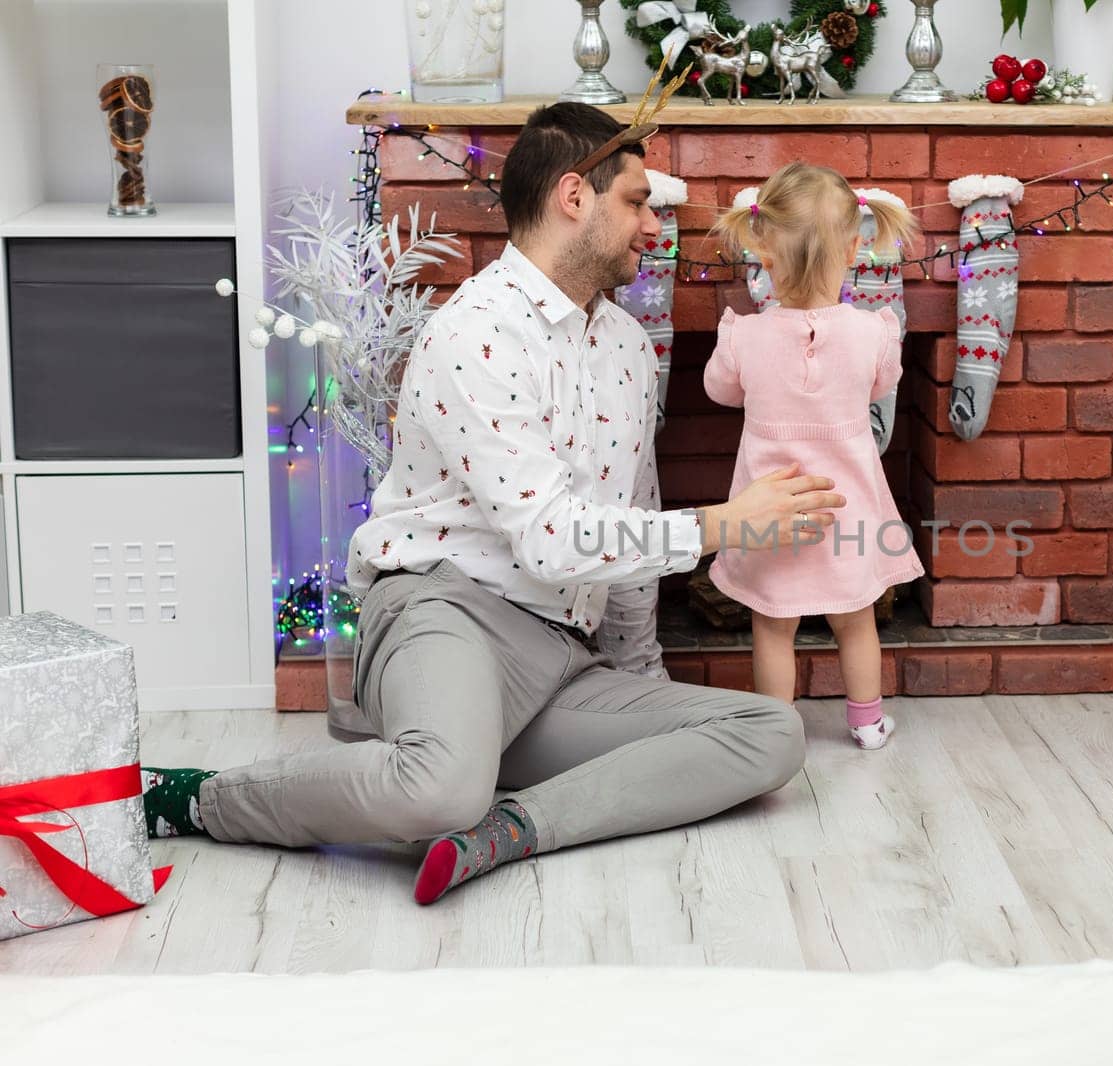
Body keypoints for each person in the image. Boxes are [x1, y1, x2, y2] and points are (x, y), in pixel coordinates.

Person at [140, 101, 849, 905]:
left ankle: (509, 831)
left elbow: (629, 519)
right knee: (436, 789)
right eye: (637, 201)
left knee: (768, 733)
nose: (653, 225)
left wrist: (642, 682)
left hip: (562, 654)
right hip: (446, 611)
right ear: (573, 196)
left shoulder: (624, 348)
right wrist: (728, 524)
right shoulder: (476, 333)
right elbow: (550, 540)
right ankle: (200, 797)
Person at [701, 163, 924, 750]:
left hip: (769, 515)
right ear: (855, 249)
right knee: (857, 620)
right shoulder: (874, 331)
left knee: (773, 629)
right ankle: (867, 722)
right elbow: (883, 385)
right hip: (848, 513)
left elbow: (718, 391)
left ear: (763, 253)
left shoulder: (743, 337)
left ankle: (776, 733)